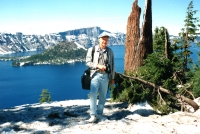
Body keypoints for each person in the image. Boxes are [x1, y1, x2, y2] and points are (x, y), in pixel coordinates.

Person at [85, 32, 115, 123]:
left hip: (105, 76)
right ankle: (93, 115)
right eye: (103, 39)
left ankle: (99, 114)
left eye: (106, 39)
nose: (105, 41)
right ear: (99, 39)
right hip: (95, 75)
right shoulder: (92, 49)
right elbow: (87, 62)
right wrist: (98, 66)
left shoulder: (110, 51)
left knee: (103, 97)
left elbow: (113, 65)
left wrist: (112, 78)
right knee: (93, 95)